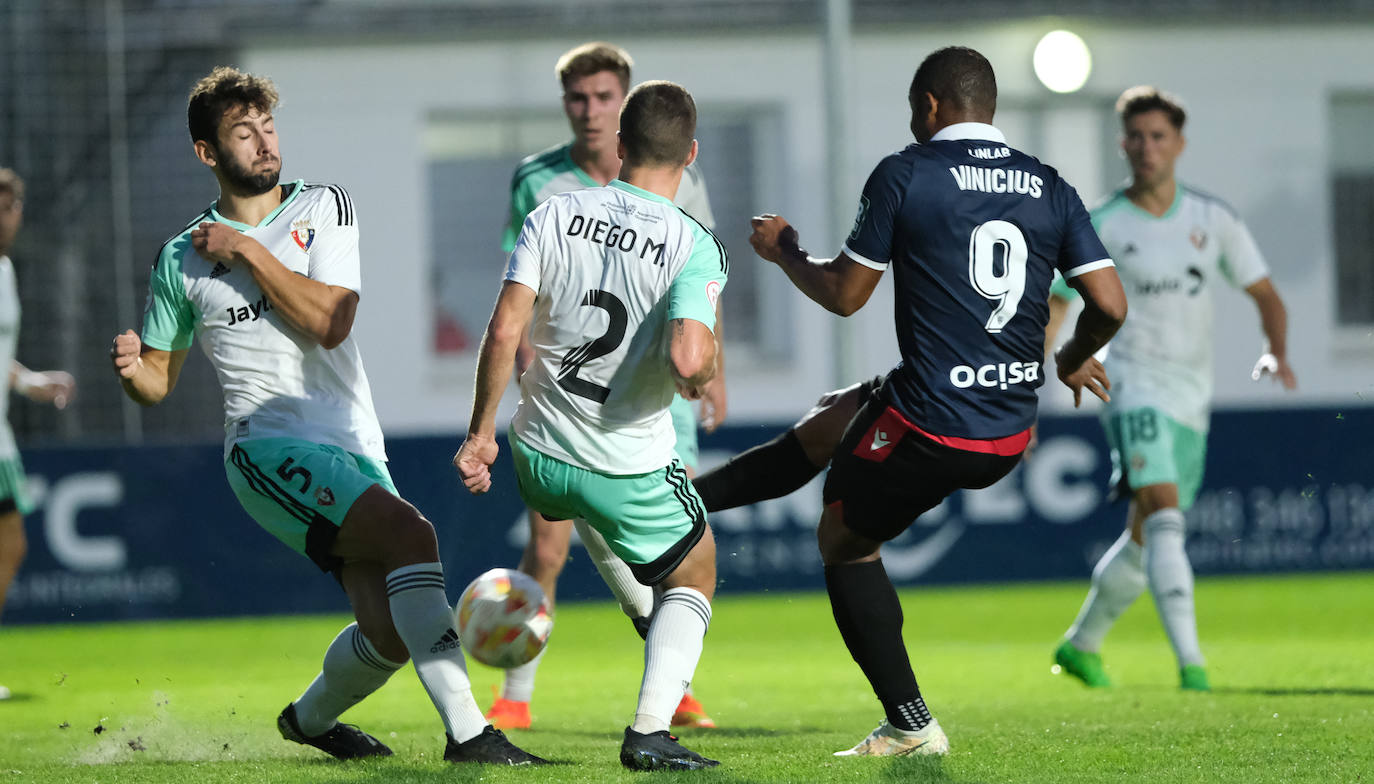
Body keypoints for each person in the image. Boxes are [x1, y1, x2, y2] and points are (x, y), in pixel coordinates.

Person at [108, 67, 546, 765]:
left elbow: (332, 322)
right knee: (412, 534)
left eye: (268, 127)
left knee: (389, 632)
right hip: (266, 445)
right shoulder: (179, 259)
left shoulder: (324, 207)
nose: (263, 143)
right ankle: (471, 737)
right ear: (207, 153)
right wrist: (135, 373)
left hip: (351, 441)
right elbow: (159, 383)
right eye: (242, 133)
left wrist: (248, 251)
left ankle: (308, 721)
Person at [747, 47, 1127, 757]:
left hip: (929, 421)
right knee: (837, 415)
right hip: (1011, 432)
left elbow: (845, 295)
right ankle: (686, 504)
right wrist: (1072, 357)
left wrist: (785, 251)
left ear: (928, 105)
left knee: (843, 540)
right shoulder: (1048, 184)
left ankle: (911, 725)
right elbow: (1108, 303)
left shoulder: (906, 172)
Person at [456, 80, 725, 771]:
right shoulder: (693, 244)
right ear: (689, 155)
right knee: (695, 569)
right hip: (622, 463)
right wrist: (703, 365)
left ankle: (648, 621)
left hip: (536, 452)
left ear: (622, 144)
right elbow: (688, 360)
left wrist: (481, 435)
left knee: (591, 519)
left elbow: (501, 330)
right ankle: (650, 731)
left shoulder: (552, 213)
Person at [1049, 86, 1296, 692]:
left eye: (1159, 136)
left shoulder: (1211, 220)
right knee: (1164, 515)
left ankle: (1081, 645)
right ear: (1122, 144)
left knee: (1146, 533)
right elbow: (1056, 302)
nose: (1146, 147)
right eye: (1136, 136)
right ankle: (1193, 668)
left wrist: (1275, 350)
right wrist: (1038, 374)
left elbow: (1265, 293)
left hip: (1191, 393)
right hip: (1131, 383)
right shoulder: (1101, 222)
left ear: (1179, 144)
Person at [0, 167, 77, 701]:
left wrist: (30, 384)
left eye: (11, 206)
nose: (8, 216)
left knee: (11, 545)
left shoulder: (4, 270)